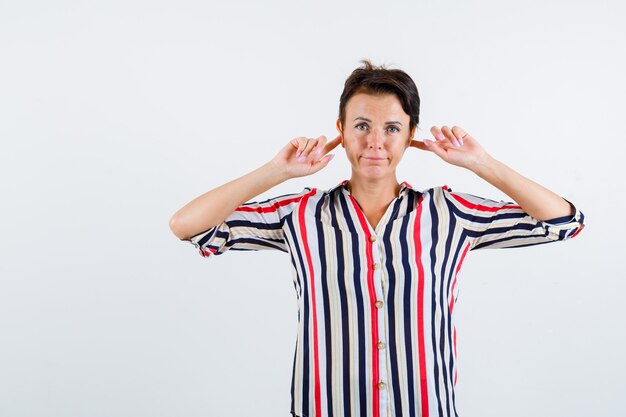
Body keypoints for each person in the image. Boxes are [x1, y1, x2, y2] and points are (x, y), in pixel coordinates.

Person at [169, 60, 585, 417]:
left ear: (410, 135)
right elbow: (187, 225)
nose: (375, 142)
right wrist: (276, 172)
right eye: (362, 125)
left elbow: (564, 222)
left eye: (391, 128)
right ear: (341, 130)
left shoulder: (449, 213)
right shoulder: (301, 214)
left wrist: (481, 163)